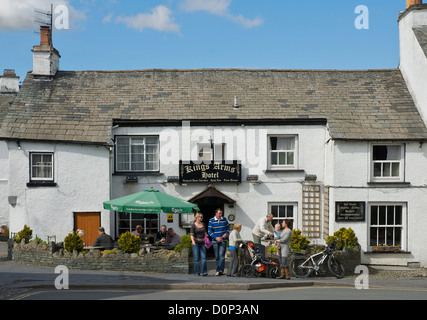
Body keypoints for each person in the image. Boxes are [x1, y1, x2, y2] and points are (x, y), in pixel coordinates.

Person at [208, 208, 229, 276]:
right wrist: (215, 237)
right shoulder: (211, 221)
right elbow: (209, 231)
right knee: (217, 256)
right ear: (216, 213)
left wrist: (226, 234)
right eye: (219, 213)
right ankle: (218, 269)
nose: (220, 215)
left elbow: (228, 228)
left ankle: (220, 270)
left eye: (221, 213)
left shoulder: (224, 219)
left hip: (223, 240)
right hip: (215, 241)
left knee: (221, 256)